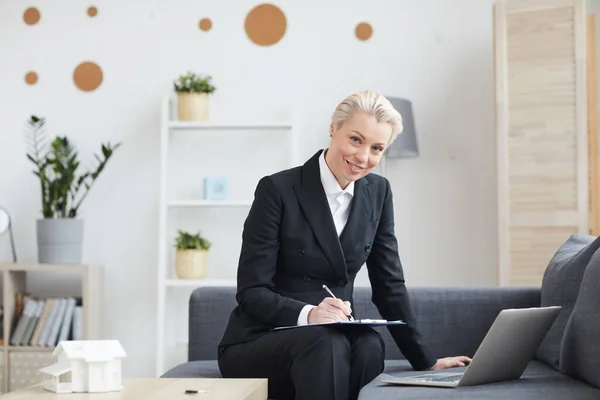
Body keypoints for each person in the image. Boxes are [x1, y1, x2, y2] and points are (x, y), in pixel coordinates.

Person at [218, 90, 471, 400]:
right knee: (325, 342)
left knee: (368, 343)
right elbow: (251, 291)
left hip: (332, 338)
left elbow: (389, 283)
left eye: (376, 148)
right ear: (333, 128)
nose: (363, 158)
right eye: (355, 140)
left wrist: (425, 360)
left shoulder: (378, 191)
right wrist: (310, 314)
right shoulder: (277, 189)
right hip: (259, 340)